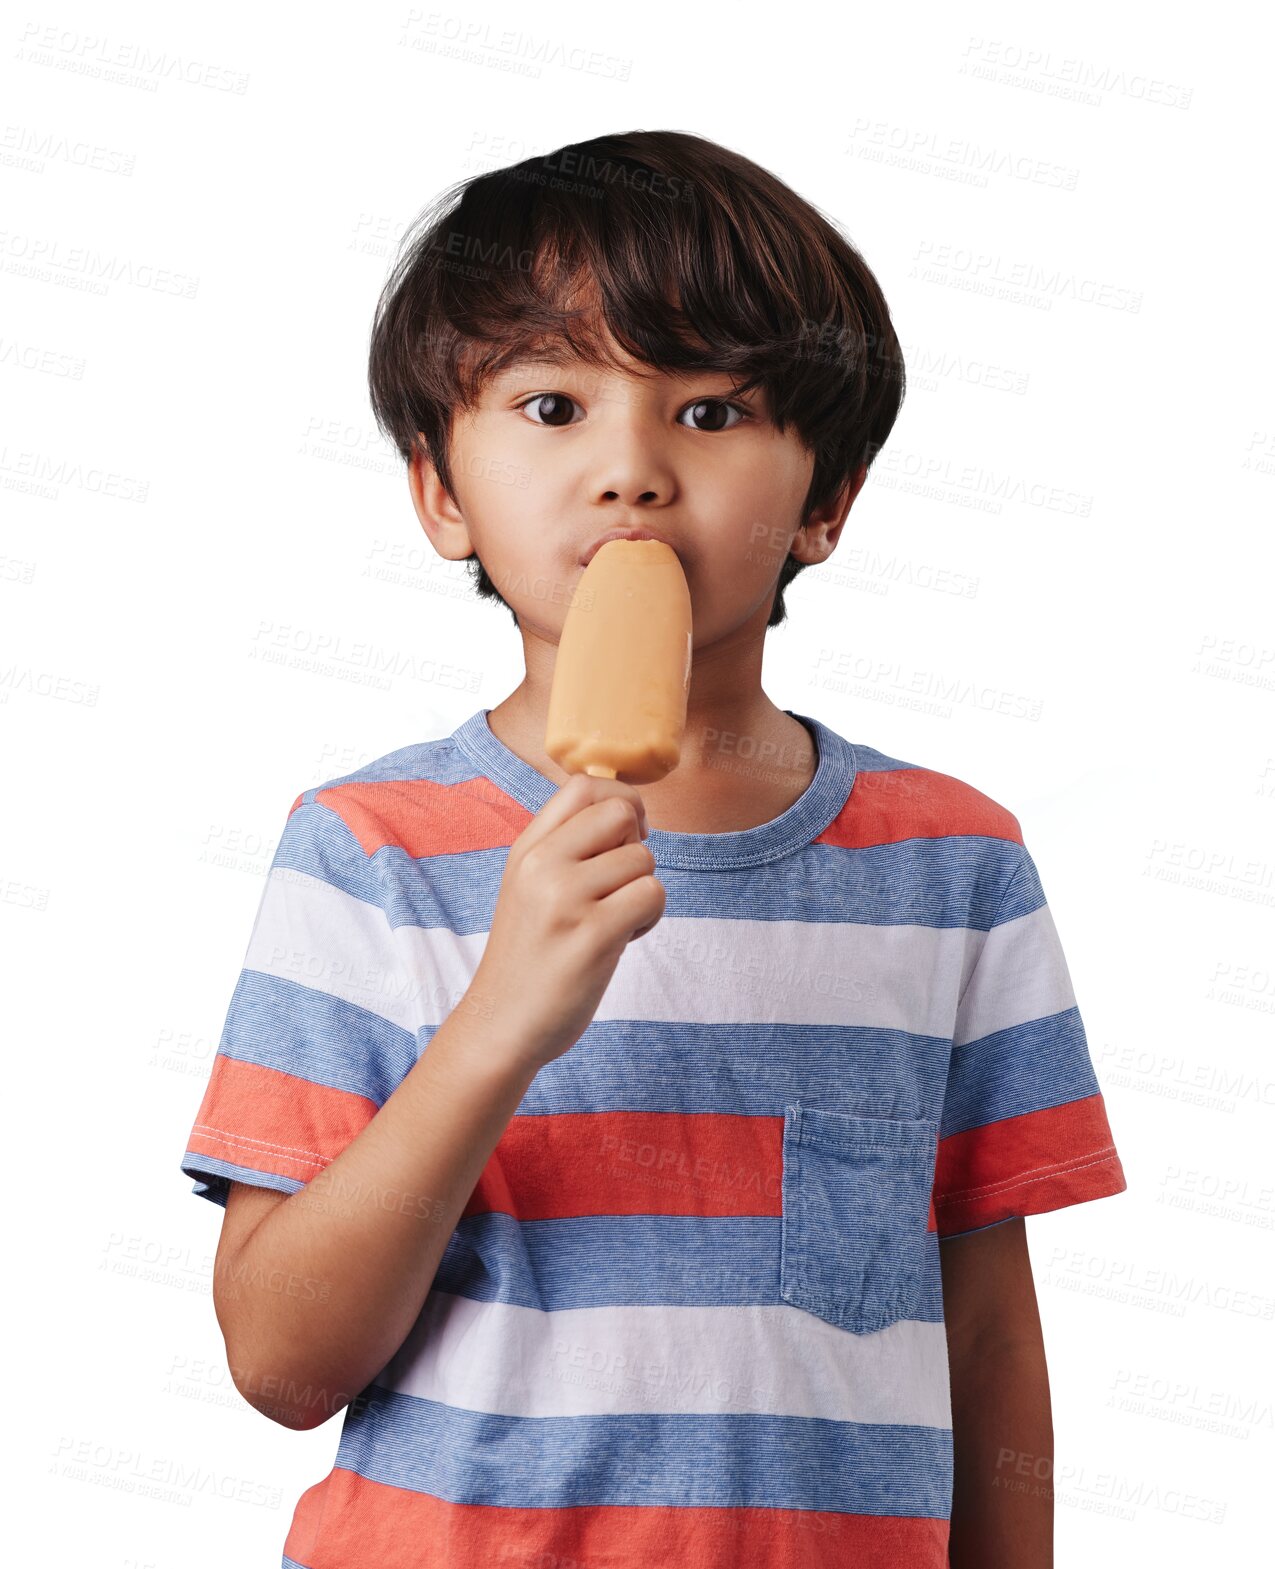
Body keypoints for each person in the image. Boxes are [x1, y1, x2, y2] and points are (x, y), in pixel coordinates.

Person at [180, 130, 1127, 1569]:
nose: (629, 472)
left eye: (711, 411)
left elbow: (988, 1329)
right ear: (442, 493)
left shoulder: (953, 867)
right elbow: (282, 1362)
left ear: (828, 498)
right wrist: (500, 1021)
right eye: (553, 404)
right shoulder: (368, 853)